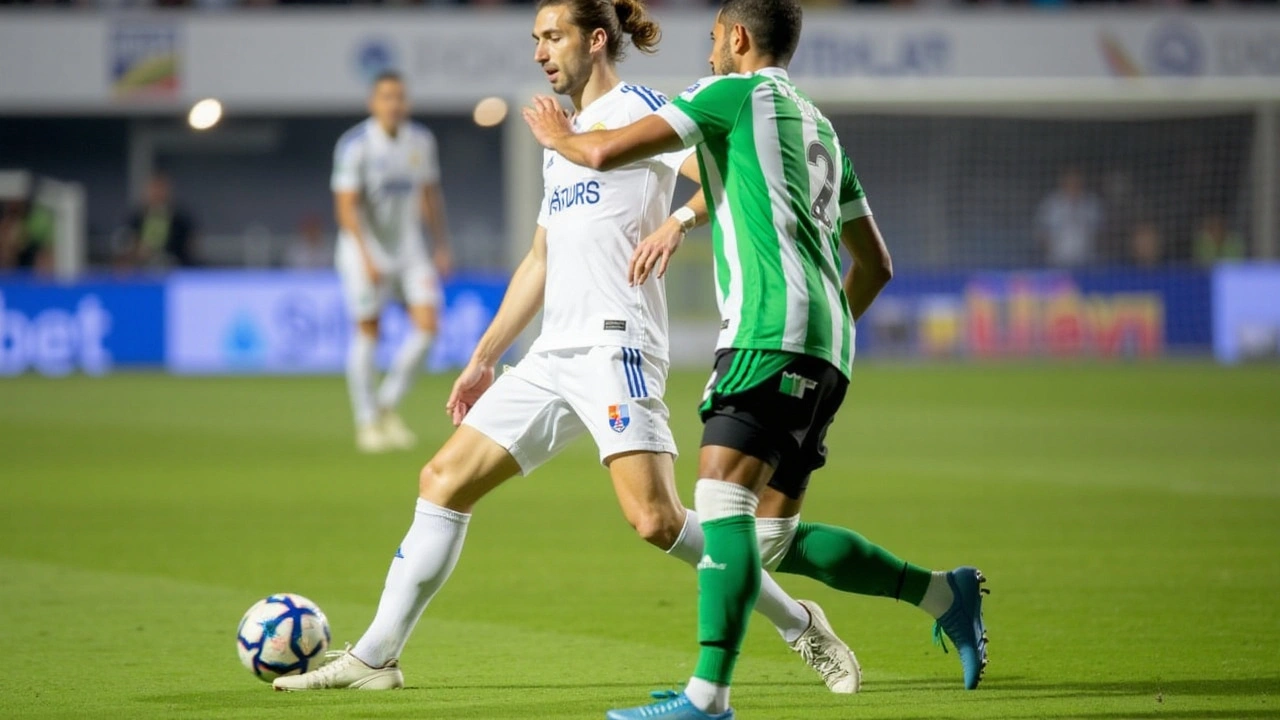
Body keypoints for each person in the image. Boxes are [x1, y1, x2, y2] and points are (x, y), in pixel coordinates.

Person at [274, 0, 860, 695]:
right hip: (554, 353)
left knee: (657, 521)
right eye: (535, 39)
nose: (539, 52)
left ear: (596, 39)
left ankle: (798, 624)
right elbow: (539, 259)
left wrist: (676, 219)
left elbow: (728, 179)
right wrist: (486, 356)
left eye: (552, 36)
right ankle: (376, 657)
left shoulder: (643, 108)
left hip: (619, 347)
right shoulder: (566, 136)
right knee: (442, 481)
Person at [521, 0, 988, 716]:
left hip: (768, 336)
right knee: (768, 538)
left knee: (718, 505)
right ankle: (941, 592)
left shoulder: (729, 94)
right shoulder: (817, 124)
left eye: (712, 40)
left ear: (738, 38)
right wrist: (820, 335)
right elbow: (878, 264)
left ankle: (707, 698)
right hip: (829, 346)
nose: (706, 54)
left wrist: (558, 134)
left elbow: (607, 150)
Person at [332, 70, 454, 453]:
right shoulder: (355, 145)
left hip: (409, 249)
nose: (394, 104)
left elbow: (430, 194)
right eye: (386, 97)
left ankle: (384, 405)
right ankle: (366, 421)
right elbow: (346, 208)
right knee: (369, 330)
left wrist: (441, 244)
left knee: (429, 328)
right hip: (361, 249)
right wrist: (367, 256)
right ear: (374, 103)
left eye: (399, 97)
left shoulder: (421, 140)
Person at [122, 174, 198, 269]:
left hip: (173, 267)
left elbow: (189, 246)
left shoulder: (181, 220)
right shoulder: (136, 218)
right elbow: (128, 240)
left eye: (161, 189)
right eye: (154, 189)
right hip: (140, 268)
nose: (157, 193)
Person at [1035, 167, 1102, 269]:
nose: (1073, 185)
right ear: (1063, 183)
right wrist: (1052, 252)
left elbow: (1100, 232)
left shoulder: (1091, 203)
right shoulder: (1051, 204)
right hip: (1057, 262)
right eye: (1070, 182)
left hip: (1087, 261)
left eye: (1077, 182)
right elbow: (1041, 233)